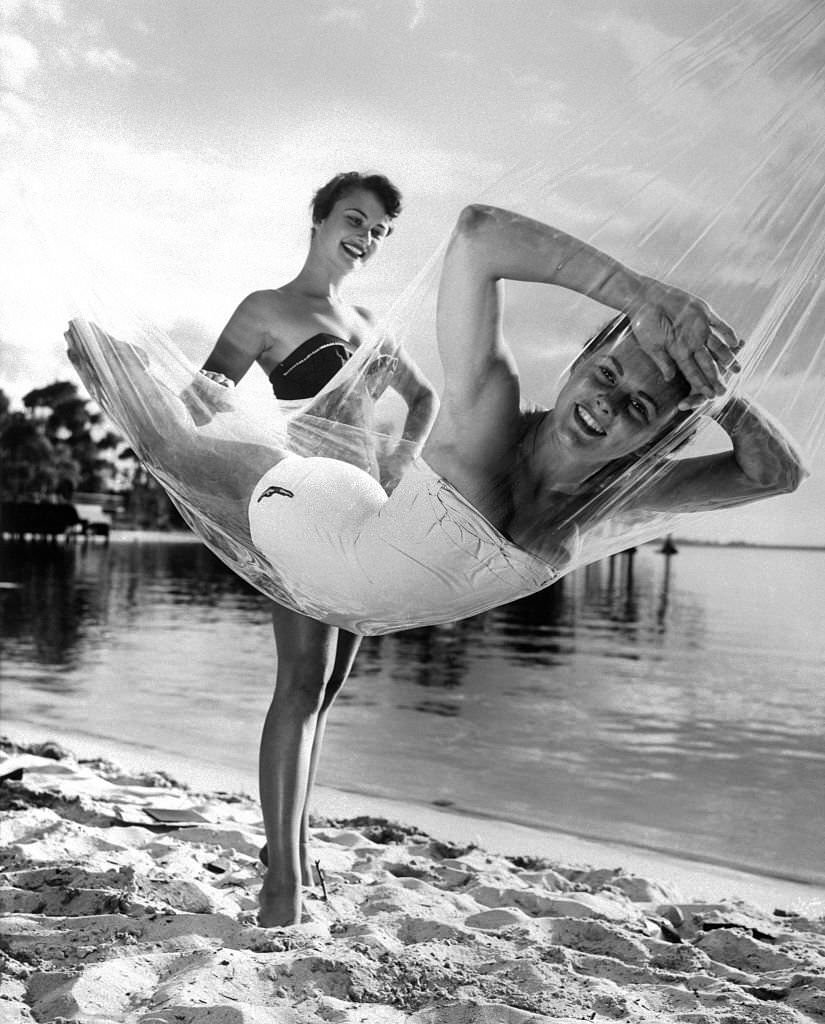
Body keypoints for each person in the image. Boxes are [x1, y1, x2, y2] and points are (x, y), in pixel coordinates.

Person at [66, 202, 808, 925]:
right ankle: (101, 341)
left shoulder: (612, 498)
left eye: (640, 409)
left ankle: (284, 856)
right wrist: (642, 299)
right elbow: (478, 233)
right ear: (580, 360)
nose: (606, 407)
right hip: (313, 520)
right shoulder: (491, 416)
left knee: (315, 693)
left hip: (367, 538)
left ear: (657, 437)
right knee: (166, 444)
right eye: (606, 374)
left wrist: (721, 395)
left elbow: (775, 474)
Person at [187, 172, 437, 927]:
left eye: (378, 232)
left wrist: (398, 461)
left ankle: (286, 848)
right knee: (299, 683)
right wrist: (264, 453)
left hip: (368, 518)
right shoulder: (266, 310)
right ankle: (282, 885)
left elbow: (423, 400)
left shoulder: (368, 324)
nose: (363, 237)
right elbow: (202, 403)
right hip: (301, 510)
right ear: (319, 219)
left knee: (323, 695)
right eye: (353, 220)